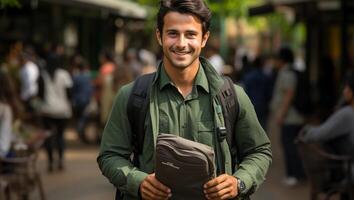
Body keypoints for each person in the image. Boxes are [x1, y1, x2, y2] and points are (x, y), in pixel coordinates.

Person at [97, 0, 272, 199]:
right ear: (159, 36)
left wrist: (239, 182)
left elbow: (260, 151)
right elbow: (109, 155)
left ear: (204, 38)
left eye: (191, 34)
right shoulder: (132, 96)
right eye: (173, 33)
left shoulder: (232, 96)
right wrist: (138, 181)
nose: (181, 44)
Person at [270, 47, 305, 186]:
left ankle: (293, 175)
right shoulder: (289, 72)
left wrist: (281, 115)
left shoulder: (286, 74)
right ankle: (297, 173)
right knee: (293, 146)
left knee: (289, 146)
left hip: (290, 118)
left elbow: (288, 95)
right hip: (293, 117)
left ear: (281, 60)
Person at [38, 53, 73, 172]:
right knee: (60, 135)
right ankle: (61, 161)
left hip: (47, 110)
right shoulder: (64, 74)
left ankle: (50, 162)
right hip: (62, 111)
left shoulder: (42, 75)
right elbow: (69, 93)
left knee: (48, 136)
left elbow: (40, 94)